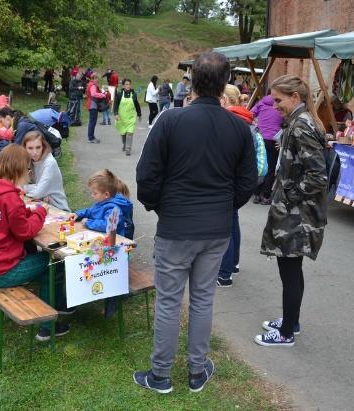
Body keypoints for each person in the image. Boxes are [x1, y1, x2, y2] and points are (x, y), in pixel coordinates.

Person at [134, 52, 257, 394]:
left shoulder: (172, 121)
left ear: (192, 80)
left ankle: (161, 375)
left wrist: (158, 206)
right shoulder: (239, 127)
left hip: (179, 226)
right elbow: (248, 182)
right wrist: (222, 207)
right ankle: (196, 370)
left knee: (170, 300)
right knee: (203, 299)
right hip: (215, 228)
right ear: (225, 83)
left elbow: (146, 175)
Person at [0, 144, 72, 341]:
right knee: (55, 263)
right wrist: (41, 211)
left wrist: (28, 211)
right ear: (19, 169)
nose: (29, 172)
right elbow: (25, 232)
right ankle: (48, 326)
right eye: (28, 168)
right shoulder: (10, 197)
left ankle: (58, 306)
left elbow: (6, 216)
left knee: (41, 257)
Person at [255, 74, 328, 347]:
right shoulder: (299, 121)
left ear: (295, 97)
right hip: (297, 211)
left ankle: (285, 333)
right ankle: (291, 321)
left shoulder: (301, 125)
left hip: (298, 215)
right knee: (291, 269)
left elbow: (318, 176)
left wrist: (288, 197)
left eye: (278, 100)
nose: (275, 106)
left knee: (290, 269)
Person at [215, 84, 254, 289]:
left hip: (226, 181)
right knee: (233, 223)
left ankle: (224, 273)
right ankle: (234, 263)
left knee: (226, 228)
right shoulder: (245, 118)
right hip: (238, 181)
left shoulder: (229, 120)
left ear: (224, 99)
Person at [70, 169, 134, 240]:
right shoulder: (103, 201)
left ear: (106, 194)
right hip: (102, 237)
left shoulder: (114, 209)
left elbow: (106, 225)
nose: (92, 195)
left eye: (95, 193)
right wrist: (79, 214)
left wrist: (88, 222)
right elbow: (92, 211)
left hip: (114, 242)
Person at [22, 130, 70, 211]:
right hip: (39, 203)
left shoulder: (49, 162)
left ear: (43, 146)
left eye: (38, 147)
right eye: (30, 148)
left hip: (57, 208)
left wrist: (23, 188)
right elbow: (19, 182)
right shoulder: (27, 159)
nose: (35, 152)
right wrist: (39, 189)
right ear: (24, 148)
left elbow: (38, 193)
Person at [251, 94, 284, 205]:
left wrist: (258, 122)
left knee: (259, 165)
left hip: (260, 137)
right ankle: (265, 196)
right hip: (274, 140)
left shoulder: (261, 103)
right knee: (270, 168)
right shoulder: (281, 103)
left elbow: (251, 114)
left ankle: (256, 194)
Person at [113, 78, 142, 156]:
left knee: (130, 133)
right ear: (123, 85)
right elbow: (115, 104)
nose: (128, 86)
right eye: (126, 84)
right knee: (123, 133)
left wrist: (139, 114)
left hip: (131, 118)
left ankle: (128, 149)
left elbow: (137, 105)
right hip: (122, 118)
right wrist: (115, 114)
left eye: (129, 84)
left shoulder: (134, 94)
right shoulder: (119, 94)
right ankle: (124, 144)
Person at [86, 72, 105, 143]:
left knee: (92, 121)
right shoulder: (93, 85)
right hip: (93, 105)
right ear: (93, 78)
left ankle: (91, 137)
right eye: (96, 78)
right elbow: (94, 94)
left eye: (97, 78)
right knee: (92, 122)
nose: (97, 80)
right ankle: (91, 138)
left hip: (91, 104)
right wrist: (102, 95)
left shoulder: (90, 84)